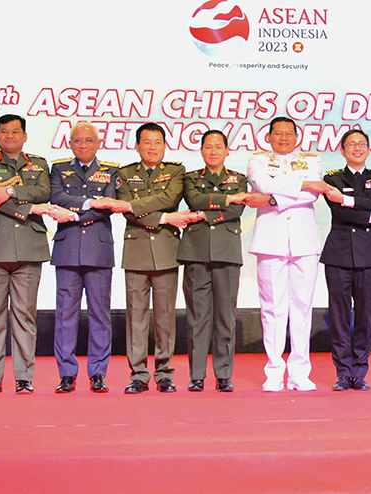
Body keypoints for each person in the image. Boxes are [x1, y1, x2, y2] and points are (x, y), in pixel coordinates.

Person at [92, 122, 193, 394]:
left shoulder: (176, 171)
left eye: (157, 142)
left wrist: (135, 206)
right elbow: (125, 211)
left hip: (166, 251)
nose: (152, 147)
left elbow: (168, 197)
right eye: (146, 142)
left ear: (165, 145)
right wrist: (164, 217)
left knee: (165, 317)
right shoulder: (123, 174)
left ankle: (164, 373)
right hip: (135, 251)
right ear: (137, 146)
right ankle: (138, 374)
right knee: (136, 317)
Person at [0, 114, 54, 395]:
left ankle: (23, 377)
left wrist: (8, 189)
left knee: (24, 316)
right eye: (4, 132)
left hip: (29, 248)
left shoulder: (39, 164)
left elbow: (43, 191)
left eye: (15, 132)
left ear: (25, 136)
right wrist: (27, 207)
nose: (10, 136)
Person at [246, 116, 330, 392]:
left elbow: (313, 194)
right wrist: (301, 184)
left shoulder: (312, 160)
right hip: (270, 242)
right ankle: (273, 372)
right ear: (267, 137)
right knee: (272, 309)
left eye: (289, 134)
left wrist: (273, 197)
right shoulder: (257, 161)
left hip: (304, 242)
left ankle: (299, 373)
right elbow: (264, 184)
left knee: (302, 309)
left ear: (298, 136)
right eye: (278, 134)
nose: (283, 138)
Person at [321, 129, 371, 391]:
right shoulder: (330, 178)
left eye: (362, 144)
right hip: (339, 253)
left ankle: (359, 371)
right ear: (342, 150)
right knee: (339, 316)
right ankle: (343, 372)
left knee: (366, 316)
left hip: (369, 253)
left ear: (368, 149)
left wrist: (348, 200)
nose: (357, 148)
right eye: (351, 144)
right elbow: (340, 212)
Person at [48, 122, 119, 393]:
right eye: (77, 140)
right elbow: (57, 197)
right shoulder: (58, 169)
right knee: (66, 315)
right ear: (70, 143)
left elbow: (109, 205)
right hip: (67, 250)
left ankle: (98, 373)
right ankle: (67, 373)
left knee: (100, 315)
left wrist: (76, 214)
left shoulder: (111, 171)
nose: (83, 144)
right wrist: (90, 203)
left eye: (89, 140)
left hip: (99, 250)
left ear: (98, 143)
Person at [177, 130, 247, 393]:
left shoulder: (238, 179)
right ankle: (196, 375)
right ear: (202, 151)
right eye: (208, 147)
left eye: (219, 147)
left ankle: (224, 374)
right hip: (196, 251)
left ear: (227, 151)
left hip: (227, 252)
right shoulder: (191, 178)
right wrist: (225, 201)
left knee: (225, 316)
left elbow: (236, 209)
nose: (213, 151)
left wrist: (204, 215)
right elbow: (194, 199)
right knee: (197, 317)